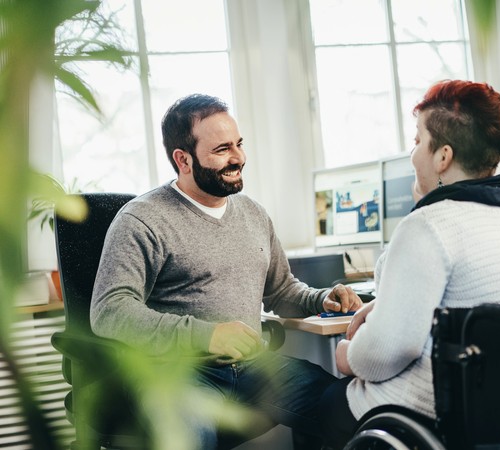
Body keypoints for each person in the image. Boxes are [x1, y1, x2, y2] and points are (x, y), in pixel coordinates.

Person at [90, 93, 362, 448]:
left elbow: (281, 292)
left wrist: (322, 298)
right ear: (183, 159)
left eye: (239, 144)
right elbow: (109, 311)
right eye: (222, 149)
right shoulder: (142, 220)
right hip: (177, 373)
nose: (239, 158)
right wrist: (207, 336)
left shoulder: (252, 213)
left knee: (344, 408)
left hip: (253, 367)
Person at [317, 79, 500, 449]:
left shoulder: (429, 225)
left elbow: (385, 353)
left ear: (443, 157)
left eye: (417, 141)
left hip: (436, 408)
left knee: (319, 411)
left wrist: (347, 356)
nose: (412, 154)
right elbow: (471, 300)